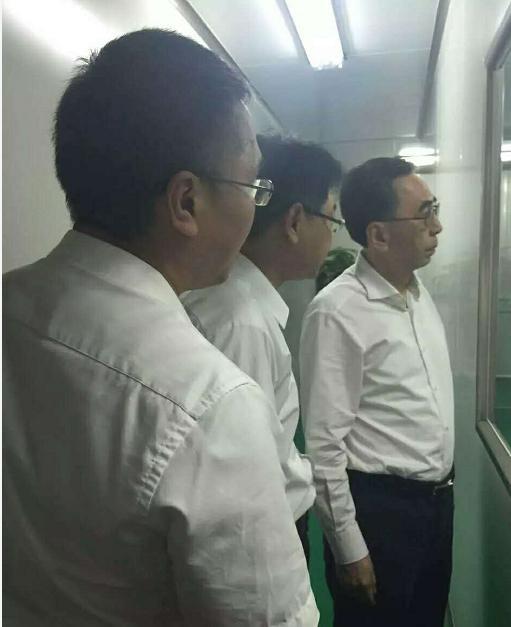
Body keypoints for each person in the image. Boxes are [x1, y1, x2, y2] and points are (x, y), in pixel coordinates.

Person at [3, 30, 318, 626]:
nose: (256, 207)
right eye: (254, 186)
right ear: (185, 203)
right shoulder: (209, 402)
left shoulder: (10, 303)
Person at [300, 157, 454, 627]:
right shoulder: (337, 312)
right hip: (380, 514)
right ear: (379, 235)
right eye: (424, 214)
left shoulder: (418, 295)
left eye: (435, 209)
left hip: (435, 505)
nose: (437, 227)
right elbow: (324, 447)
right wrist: (349, 548)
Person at [182, 135, 343, 560]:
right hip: (267, 532)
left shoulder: (238, 304)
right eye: (331, 218)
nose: (333, 234)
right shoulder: (242, 323)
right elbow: (242, 479)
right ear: (294, 221)